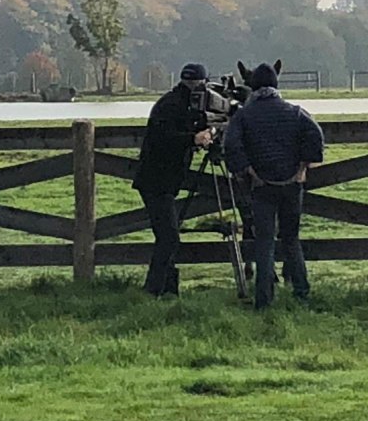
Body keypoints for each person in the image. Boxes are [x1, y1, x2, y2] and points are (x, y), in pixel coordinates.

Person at [224, 60, 324, 308]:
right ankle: (301, 293)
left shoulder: (245, 115)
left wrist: (246, 169)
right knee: (291, 238)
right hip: (292, 183)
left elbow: (231, 145)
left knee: (264, 242)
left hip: (262, 185)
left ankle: (263, 299)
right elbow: (315, 136)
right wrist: (303, 167)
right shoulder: (295, 112)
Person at [132, 63, 213, 296]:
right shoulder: (174, 105)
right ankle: (154, 289)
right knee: (169, 238)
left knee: (167, 236)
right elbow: (165, 139)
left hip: (160, 180)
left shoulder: (174, 102)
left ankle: (167, 288)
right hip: (157, 181)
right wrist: (194, 139)